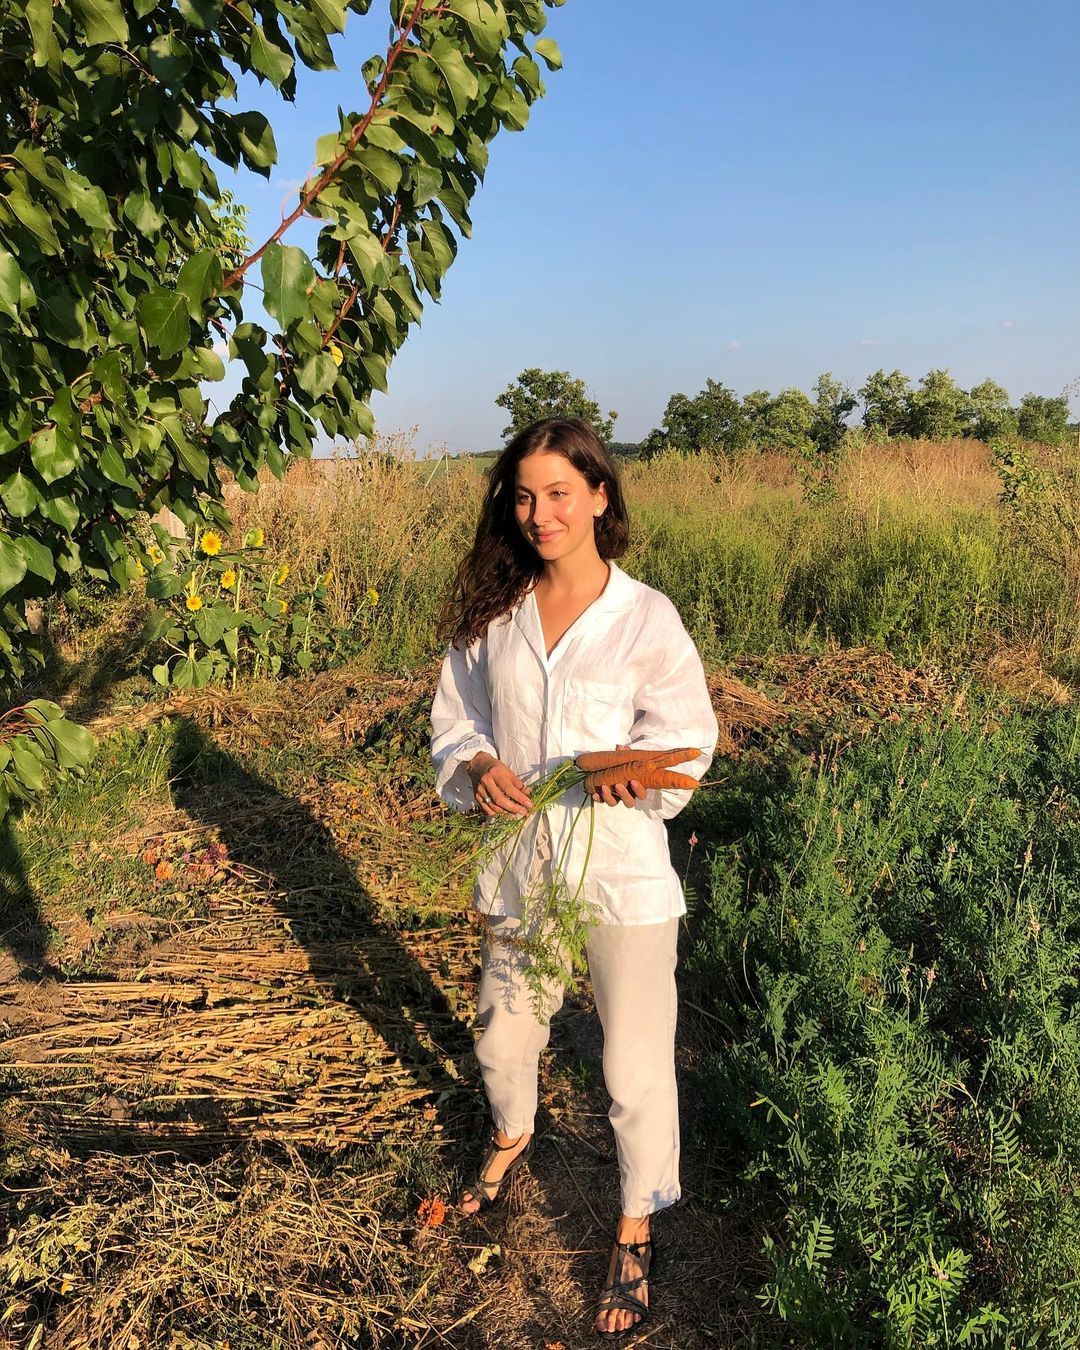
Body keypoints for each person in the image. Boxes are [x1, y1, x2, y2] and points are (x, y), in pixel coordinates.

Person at [429, 417, 719, 1337]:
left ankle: (636, 1221)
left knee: (632, 1065)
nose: (539, 513)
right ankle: (511, 1131)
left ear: (599, 495)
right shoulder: (494, 617)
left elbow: (689, 740)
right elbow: (456, 722)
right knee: (502, 1038)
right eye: (523, 496)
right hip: (525, 867)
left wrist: (636, 773)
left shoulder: (645, 618)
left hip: (620, 874)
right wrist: (478, 767)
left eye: (559, 493)